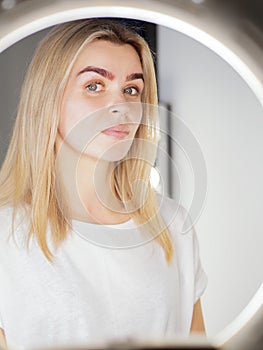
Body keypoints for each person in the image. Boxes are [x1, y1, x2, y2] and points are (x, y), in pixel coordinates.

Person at [0, 19, 207, 349]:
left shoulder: (172, 226)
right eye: (94, 86)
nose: (120, 107)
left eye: (131, 90)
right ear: (48, 100)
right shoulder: (6, 235)